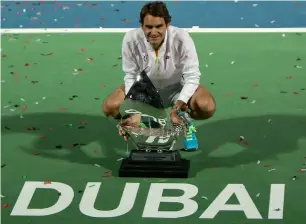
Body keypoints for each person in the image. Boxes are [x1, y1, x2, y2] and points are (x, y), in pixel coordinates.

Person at [103, 1, 216, 150]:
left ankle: (185, 122)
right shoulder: (131, 39)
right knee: (110, 107)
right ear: (142, 25)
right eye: (148, 27)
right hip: (145, 90)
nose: (153, 32)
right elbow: (131, 76)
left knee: (206, 106)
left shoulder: (182, 39)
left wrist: (179, 105)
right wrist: (135, 109)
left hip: (176, 88)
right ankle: (135, 125)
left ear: (167, 25)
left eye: (159, 26)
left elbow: (192, 77)